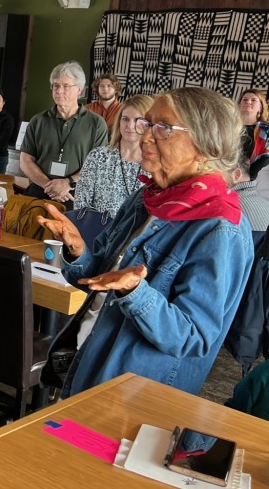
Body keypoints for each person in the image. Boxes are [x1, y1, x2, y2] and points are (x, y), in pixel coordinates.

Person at [39, 86, 253, 399]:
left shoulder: (220, 229)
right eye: (147, 124)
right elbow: (99, 277)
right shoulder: (147, 198)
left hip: (134, 391)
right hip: (89, 357)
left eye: (163, 128)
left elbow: (193, 337)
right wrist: (78, 250)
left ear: (206, 145)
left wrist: (135, 292)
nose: (146, 136)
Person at [20, 61, 108, 206]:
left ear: (79, 90)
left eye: (66, 86)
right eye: (55, 85)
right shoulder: (38, 121)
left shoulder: (96, 124)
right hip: (39, 194)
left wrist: (68, 183)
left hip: (75, 197)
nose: (59, 91)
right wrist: (49, 186)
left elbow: (98, 165)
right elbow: (25, 160)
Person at [74, 95, 154, 218]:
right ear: (119, 122)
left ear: (149, 124)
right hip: (96, 232)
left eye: (138, 120)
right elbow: (80, 204)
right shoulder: (98, 156)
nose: (130, 126)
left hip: (136, 235)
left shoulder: (155, 165)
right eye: (125, 119)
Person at [238, 89, 268, 162]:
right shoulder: (229, 127)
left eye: (253, 100)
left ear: (260, 108)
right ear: (239, 105)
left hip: (255, 172)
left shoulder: (266, 130)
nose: (248, 102)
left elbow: (266, 158)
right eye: (245, 99)